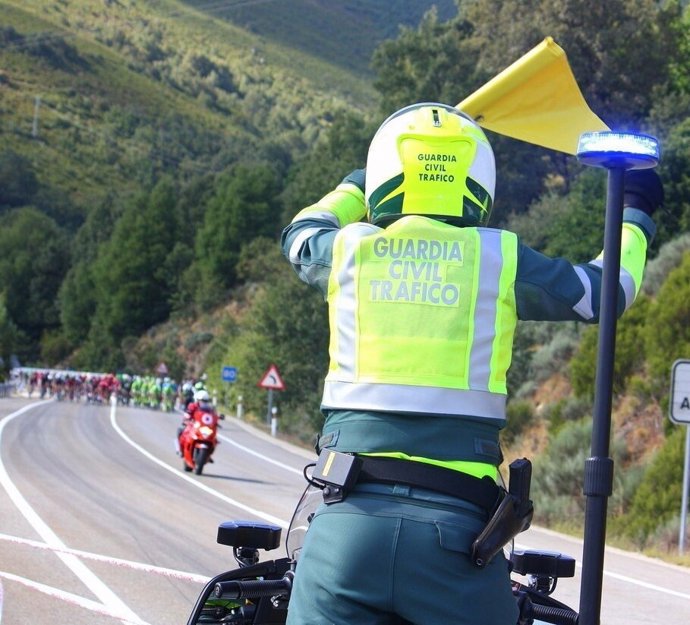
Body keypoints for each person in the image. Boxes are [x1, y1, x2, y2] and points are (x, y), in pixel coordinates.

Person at [280, 102, 662, 625]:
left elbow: (301, 234)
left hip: (348, 525)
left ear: (385, 176)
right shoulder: (498, 258)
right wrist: (634, 212)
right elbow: (605, 292)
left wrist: (354, 186)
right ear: (477, 180)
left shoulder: (350, 251)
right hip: (458, 541)